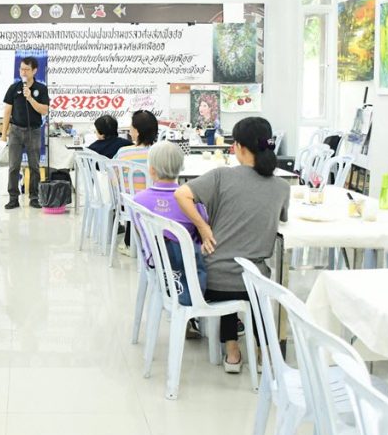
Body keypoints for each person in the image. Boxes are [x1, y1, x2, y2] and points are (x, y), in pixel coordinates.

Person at [174, 116, 289, 374]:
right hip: (252, 282)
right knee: (255, 281)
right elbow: (282, 218)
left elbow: (181, 194)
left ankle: (232, 351)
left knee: (225, 266)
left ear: (239, 147)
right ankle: (264, 353)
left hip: (214, 282)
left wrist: (203, 228)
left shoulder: (221, 176)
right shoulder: (282, 187)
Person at [133, 142, 207, 306]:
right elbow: (203, 234)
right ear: (181, 168)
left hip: (156, 265)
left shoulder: (138, 201)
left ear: (151, 170)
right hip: (189, 270)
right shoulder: (193, 202)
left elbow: (142, 235)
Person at [1, 56, 50, 209]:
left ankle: (34, 197)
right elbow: (7, 112)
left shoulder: (41, 89)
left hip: (33, 131)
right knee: (13, 166)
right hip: (15, 131)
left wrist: (30, 98)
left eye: (27, 69)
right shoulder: (13, 88)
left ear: (34, 71)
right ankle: (13, 198)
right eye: (21, 69)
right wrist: (3, 134)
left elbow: (44, 110)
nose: (23, 72)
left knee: (34, 166)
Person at [113, 110, 158, 192]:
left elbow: (113, 178)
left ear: (137, 131)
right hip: (154, 199)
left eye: (131, 126)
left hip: (127, 199)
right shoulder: (160, 153)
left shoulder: (123, 152)